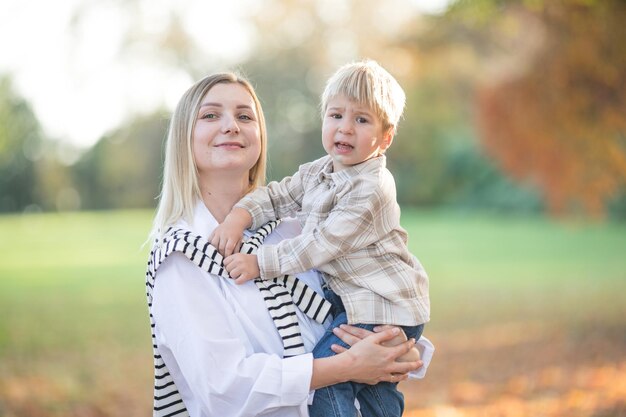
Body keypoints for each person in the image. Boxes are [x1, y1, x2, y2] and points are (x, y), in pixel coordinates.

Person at [145, 72, 433, 417]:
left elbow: (356, 307)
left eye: (244, 115)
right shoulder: (181, 257)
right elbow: (224, 390)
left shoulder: (293, 232)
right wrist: (348, 366)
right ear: (184, 138)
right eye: (210, 115)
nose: (231, 126)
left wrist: (400, 351)